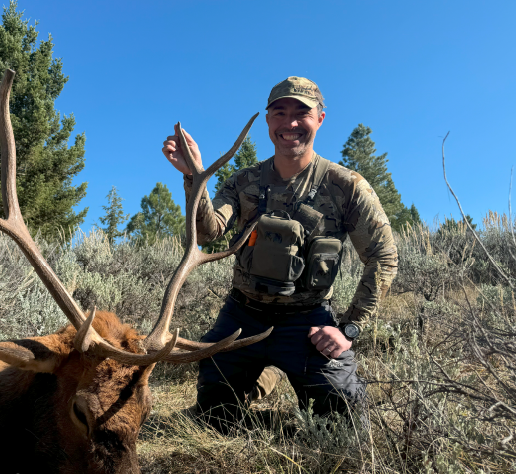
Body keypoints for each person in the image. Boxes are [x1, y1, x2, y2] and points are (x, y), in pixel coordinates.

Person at [162, 77, 398, 430]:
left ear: (320, 118)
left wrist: (348, 329)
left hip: (309, 321)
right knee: (213, 417)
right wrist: (194, 178)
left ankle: (276, 365)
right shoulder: (244, 183)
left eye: (301, 113)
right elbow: (210, 232)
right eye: (280, 113)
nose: (289, 123)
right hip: (243, 315)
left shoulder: (346, 186)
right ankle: (266, 373)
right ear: (269, 120)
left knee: (344, 421)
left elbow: (383, 257)